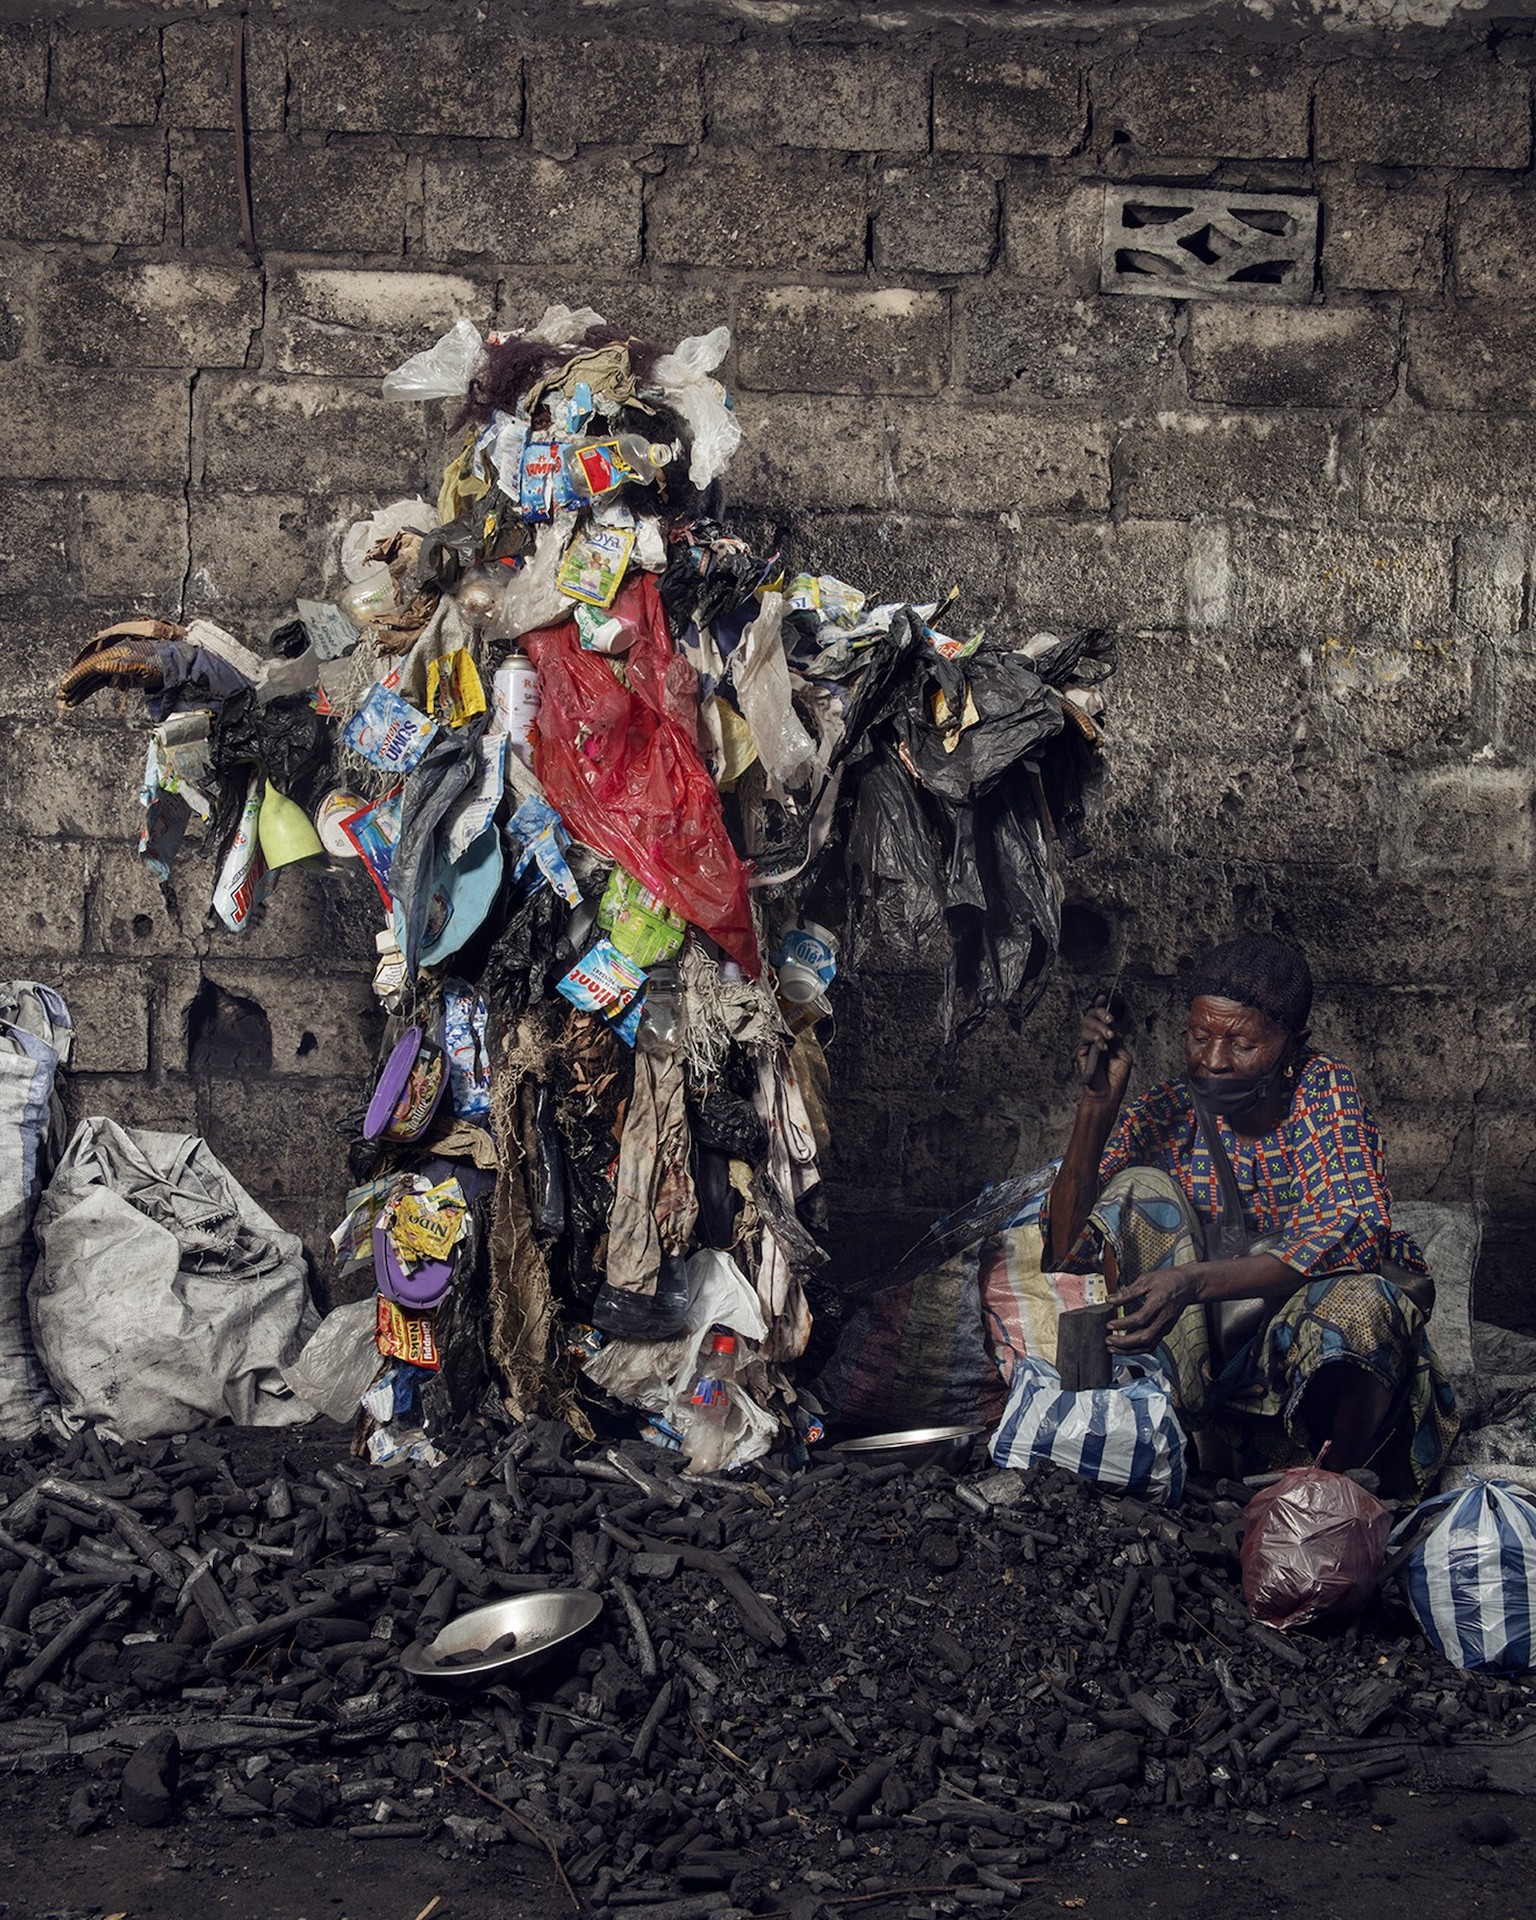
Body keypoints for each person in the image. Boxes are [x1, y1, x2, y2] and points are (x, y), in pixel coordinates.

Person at [1044, 932, 1457, 1496]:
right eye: (1198, 1037)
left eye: (1241, 1044)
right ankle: (1180, 1450)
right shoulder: (1167, 1112)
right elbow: (1064, 1252)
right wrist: (1096, 1108)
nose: (1212, 1061)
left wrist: (1191, 1281)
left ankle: (1324, 1496)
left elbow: (1353, 1231)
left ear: (1292, 1044)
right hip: (1193, 1378)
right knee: (1139, 1187)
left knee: (1366, 1303)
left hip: (1300, 1382)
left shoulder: (1323, 1093)